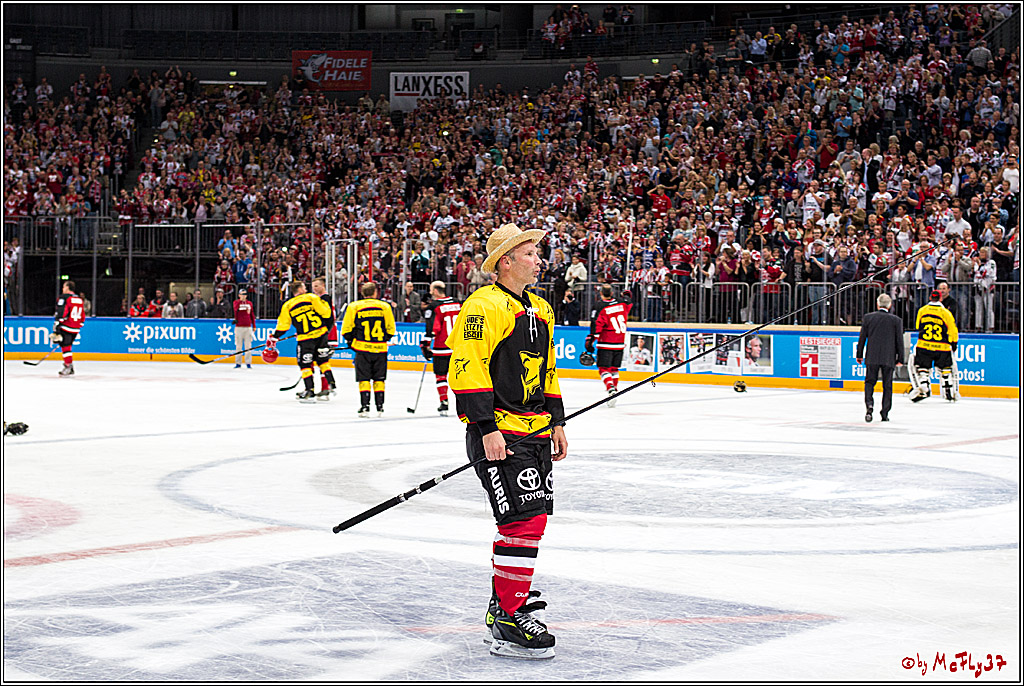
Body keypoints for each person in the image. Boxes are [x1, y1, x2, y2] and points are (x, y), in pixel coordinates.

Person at [449, 223, 567, 659]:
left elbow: (548, 368)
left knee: (529, 521)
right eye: (531, 253)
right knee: (524, 522)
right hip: (500, 432)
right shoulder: (483, 306)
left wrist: (557, 421)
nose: (539, 259)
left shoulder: (541, 307)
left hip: (534, 431)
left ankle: (507, 601)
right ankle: (507, 614)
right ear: (507, 261)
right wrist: (485, 428)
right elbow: (467, 367)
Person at [269, 281, 333, 402]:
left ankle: (310, 390)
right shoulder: (311, 297)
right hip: (320, 335)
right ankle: (331, 384)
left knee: (305, 365)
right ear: (300, 290)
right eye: (305, 287)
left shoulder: (288, 305)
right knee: (322, 360)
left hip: (305, 339)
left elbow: (283, 326)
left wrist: (275, 337)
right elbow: (326, 313)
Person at [341, 282, 396, 416]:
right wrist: (383, 339)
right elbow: (391, 329)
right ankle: (380, 406)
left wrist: (352, 341)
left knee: (364, 378)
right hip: (380, 349)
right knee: (379, 378)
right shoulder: (384, 306)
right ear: (375, 293)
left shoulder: (354, 306)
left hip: (362, 348)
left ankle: (365, 406)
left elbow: (346, 330)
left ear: (362, 293)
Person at [856, 293, 905, 422]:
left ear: (877, 304)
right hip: (888, 357)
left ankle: (869, 405)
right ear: (890, 305)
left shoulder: (868, 318)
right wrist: (900, 358)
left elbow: (862, 338)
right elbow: (899, 341)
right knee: (887, 385)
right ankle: (885, 412)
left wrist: (859, 354)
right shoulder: (896, 320)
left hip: (872, 356)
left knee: (869, 382)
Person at [585, 284, 631, 406]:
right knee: (614, 369)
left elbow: (596, 325)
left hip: (606, 343)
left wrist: (591, 339)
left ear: (601, 294)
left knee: (604, 369)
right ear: (612, 293)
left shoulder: (600, 306)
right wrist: (626, 294)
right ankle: (614, 392)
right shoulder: (622, 303)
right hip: (620, 343)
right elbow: (629, 302)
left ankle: (611, 388)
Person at [909, 290, 959, 403]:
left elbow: (918, 325)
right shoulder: (945, 313)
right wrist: (954, 343)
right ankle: (948, 388)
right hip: (942, 346)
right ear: (941, 299)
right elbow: (952, 330)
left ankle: (924, 386)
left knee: (923, 368)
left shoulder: (922, 310)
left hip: (924, 345)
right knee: (945, 368)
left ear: (930, 298)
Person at [420, 281, 462, 416]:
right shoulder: (458, 303)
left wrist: (425, 345)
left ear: (436, 291)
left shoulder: (434, 307)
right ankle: (463, 404)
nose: (430, 293)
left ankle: (444, 402)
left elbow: (432, 329)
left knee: (441, 376)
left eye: (432, 290)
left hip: (442, 347)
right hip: (459, 347)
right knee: (461, 377)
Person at [310, 277, 339, 398]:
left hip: (326, 335)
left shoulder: (324, 299)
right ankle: (324, 387)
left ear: (323, 286)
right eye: (313, 286)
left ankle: (325, 388)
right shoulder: (321, 299)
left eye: (316, 286)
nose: (314, 288)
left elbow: (326, 318)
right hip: (324, 334)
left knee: (322, 361)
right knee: (321, 361)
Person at [53, 280, 85, 377]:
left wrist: (57, 324)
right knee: (67, 347)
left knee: (66, 347)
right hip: (76, 327)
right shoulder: (79, 299)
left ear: (67, 287)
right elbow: (82, 314)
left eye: (64, 287)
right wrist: (80, 324)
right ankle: (68, 366)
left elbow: (62, 312)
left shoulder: (64, 298)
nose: (63, 289)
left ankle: (68, 367)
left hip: (67, 326)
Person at [232, 287, 256, 368]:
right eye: (242, 294)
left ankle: (248, 363)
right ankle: (238, 362)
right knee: (238, 346)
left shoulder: (250, 303)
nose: (244, 296)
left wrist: (254, 325)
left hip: (248, 327)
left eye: (245, 294)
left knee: (248, 346)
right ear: (239, 295)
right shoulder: (236, 302)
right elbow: (235, 310)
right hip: (239, 327)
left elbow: (252, 314)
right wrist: (241, 302)